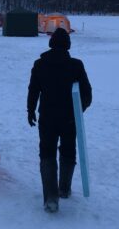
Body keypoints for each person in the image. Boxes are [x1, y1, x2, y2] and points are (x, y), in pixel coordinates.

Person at [27, 28, 92, 213]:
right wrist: (79, 111)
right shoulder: (76, 65)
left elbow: (33, 91)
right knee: (68, 152)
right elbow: (87, 94)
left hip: (47, 118)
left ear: (51, 43)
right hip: (69, 119)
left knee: (47, 154)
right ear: (68, 45)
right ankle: (64, 188)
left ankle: (51, 198)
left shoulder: (40, 64)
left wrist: (30, 110)